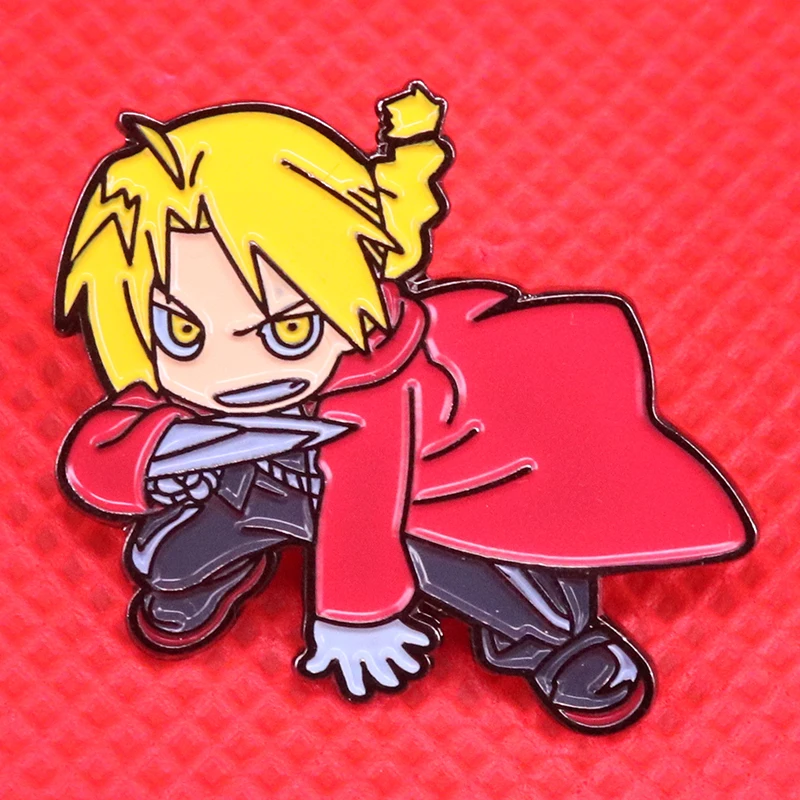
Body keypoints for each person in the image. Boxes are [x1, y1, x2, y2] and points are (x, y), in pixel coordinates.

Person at [56, 81, 754, 733]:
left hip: (421, 497)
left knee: (497, 577)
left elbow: (366, 499)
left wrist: (355, 616)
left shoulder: (379, 378)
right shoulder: (177, 381)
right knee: (170, 554)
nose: (237, 371)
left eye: (290, 328)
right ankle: (200, 579)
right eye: (185, 332)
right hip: (260, 485)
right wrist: (157, 455)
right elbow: (101, 448)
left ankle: (557, 644)